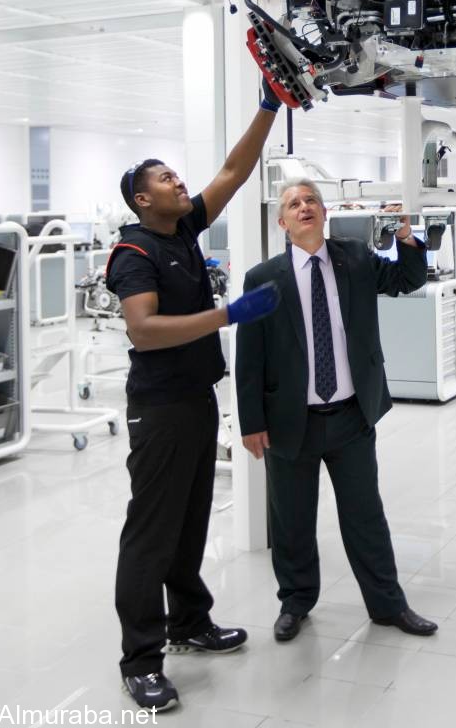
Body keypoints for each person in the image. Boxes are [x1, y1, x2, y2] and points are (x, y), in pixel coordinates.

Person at [105, 77, 285, 712]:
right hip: (158, 408)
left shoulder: (181, 231)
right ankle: (141, 660)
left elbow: (235, 171)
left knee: (189, 523)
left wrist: (269, 104)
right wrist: (227, 316)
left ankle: (188, 622)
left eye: (179, 175)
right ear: (140, 198)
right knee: (151, 533)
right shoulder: (135, 250)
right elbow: (144, 330)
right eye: (166, 178)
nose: (180, 182)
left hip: (196, 398)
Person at [235, 180, 439, 643]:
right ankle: (295, 602)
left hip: (350, 416)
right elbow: (249, 356)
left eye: (310, 201)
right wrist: (251, 422)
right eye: (293, 203)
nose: (303, 207)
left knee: (365, 515)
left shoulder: (356, 259)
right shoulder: (262, 278)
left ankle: (388, 605)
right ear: (282, 222)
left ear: (324, 214)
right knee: (291, 520)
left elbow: (409, 280)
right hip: (290, 421)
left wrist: (406, 238)